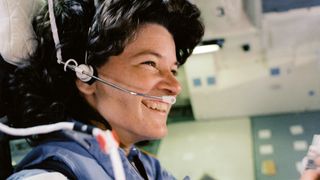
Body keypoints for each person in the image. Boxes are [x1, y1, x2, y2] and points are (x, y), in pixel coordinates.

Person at [4, 0, 204, 179]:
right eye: (150, 63)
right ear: (86, 77)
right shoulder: (52, 176)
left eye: (173, 70)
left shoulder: (144, 166)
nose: (175, 87)